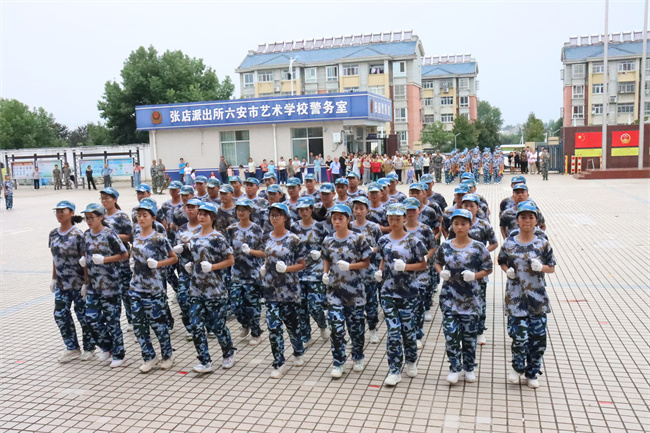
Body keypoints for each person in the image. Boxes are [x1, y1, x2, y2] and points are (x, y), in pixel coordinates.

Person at [498, 201, 556, 389]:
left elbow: (552, 267)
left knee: (538, 339)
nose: (527, 221)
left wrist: (542, 268)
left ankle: (532, 372)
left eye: (531, 217)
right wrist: (507, 271)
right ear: (518, 220)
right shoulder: (510, 243)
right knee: (519, 337)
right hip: (516, 299)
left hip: (537, 299)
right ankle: (517, 368)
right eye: (523, 217)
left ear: (536, 221)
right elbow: (501, 260)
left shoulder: (542, 243)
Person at [434, 209, 493, 385]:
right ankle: (454, 368)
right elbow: (437, 262)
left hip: (471, 300)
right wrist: (441, 272)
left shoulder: (478, 247)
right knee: (451, 335)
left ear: (469, 225)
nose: (459, 227)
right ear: (452, 226)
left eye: (463, 223)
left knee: (469, 337)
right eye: (456, 224)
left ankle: (468, 367)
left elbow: (488, 268)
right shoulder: (446, 246)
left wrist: (475, 275)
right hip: (449, 298)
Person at [375, 203, 428, 386]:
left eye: (398, 218)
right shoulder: (383, 240)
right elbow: (383, 258)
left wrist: (406, 267)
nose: (394, 222)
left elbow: (423, 264)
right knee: (393, 332)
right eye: (391, 219)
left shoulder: (413, 241)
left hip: (409, 293)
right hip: (388, 293)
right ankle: (394, 370)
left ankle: (411, 360)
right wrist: (380, 270)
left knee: (408, 330)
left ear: (404, 218)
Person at [185, 202, 236, 373]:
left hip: (215, 290)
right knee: (196, 325)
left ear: (212, 217)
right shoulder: (194, 237)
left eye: (205, 214)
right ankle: (204, 360)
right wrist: (192, 266)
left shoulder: (217, 238)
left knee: (217, 326)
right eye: (200, 213)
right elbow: (197, 258)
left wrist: (213, 267)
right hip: (196, 288)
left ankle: (228, 352)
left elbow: (230, 260)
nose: (201, 216)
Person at [322, 204, 371, 378]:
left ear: (348, 219)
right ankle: (338, 362)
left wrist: (350, 266)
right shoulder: (328, 240)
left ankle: (357, 356)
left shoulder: (358, 239)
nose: (337, 222)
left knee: (356, 328)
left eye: (340, 218)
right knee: (336, 327)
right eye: (334, 218)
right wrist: (325, 273)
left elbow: (366, 262)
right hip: (334, 291)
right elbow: (326, 258)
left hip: (355, 291)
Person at [130, 198, 178, 373]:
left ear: (153, 218)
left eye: (145, 215)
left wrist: (158, 264)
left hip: (154, 288)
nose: (141, 218)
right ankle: (149, 356)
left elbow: (173, 258)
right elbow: (133, 254)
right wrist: (132, 262)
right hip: (136, 287)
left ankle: (167, 355)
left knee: (158, 325)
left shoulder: (159, 238)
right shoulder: (136, 237)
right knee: (139, 325)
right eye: (139, 215)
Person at [260, 203, 306, 378]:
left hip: (289, 290)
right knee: (273, 327)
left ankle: (298, 350)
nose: (274, 218)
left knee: (292, 325)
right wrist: (264, 267)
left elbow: (302, 264)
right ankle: (279, 362)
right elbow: (267, 256)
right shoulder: (266, 237)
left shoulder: (294, 239)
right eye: (272, 215)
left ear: (285, 217)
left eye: (278, 215)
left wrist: (287, 269)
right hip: (270, 289)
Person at [79, 203, 129, 367]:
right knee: (91, 318)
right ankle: (106, 347)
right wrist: (85, 282)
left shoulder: (109, 234)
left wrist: (105, 260)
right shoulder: (86, 234)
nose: (89, 221)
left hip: (110, 285)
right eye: (86, 218)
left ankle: (119, 353)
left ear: (101, 217)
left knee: (112, 321)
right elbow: (86, 257)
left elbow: (124, 254)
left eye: (91, 218)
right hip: (93, 285)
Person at [49, 200, 96, 363]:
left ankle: (89, 348)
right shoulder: (53, 234)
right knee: (60, 314)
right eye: (57, 211)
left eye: (63, 211)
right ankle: (72, 347)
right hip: (62, 284)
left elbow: (85, 260)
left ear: (72, 213)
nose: (59, 214)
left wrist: (86, 283)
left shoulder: (78, 235)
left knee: (83, 316)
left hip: (77, 283)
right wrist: (54, 278)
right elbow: (55, 258)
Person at [291, 197, 330, 345]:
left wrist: (320, 253)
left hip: (315, 272)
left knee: (315, 305)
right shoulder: (294, 227)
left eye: (306, 209)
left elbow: (328, 246)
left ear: (312, 209)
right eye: (301, 209)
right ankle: (305, 335)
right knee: (301, 307)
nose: (304, 212)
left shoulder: (320, 227)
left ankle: (322, 324)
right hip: (299, 271)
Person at [226, 198, 265, 346]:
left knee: (252, 305)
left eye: (244, 210)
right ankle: (245, 324)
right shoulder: (231, 229)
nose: (241, 212)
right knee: (236, 304)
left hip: (252, 273)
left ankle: (256, 332)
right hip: (236, 273)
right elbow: (226, 248)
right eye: (238, 210)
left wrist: (251, 251)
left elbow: (264, 252)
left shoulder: (257, 229)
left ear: (250, 211)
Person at [100, 187, 135, 331]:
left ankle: (132, 320)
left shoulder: (122, 216)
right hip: (106, 262)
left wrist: (112, 235)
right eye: (102, 198)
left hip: (122, 261)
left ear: (115, 200)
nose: (104, 201)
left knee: (126, 292)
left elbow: (130, 237)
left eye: (107, 198)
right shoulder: (100, 215)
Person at [349, 196, 383, 344]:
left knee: (371, 303)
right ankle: (356, 333)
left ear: (367, 210)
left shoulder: (374, 227)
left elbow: (381, 247)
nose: (358, 211)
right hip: (352, 272)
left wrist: (371, 250)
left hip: (369, 271)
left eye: (361, 208)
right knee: (354, 305)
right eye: (356, 208)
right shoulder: (349, 226)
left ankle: (373, 328)